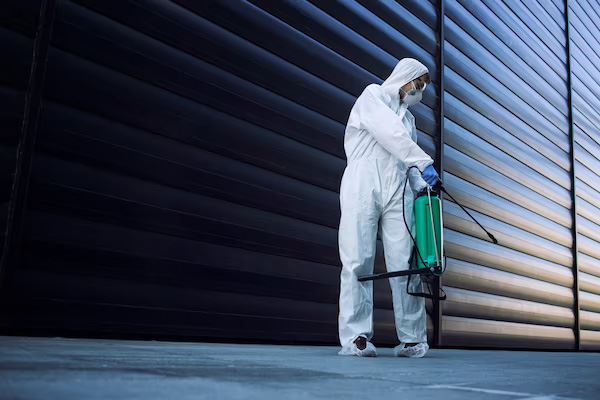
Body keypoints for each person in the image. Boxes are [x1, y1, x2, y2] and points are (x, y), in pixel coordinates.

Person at [337, 58, 441, 358]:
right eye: (418, 84)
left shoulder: (409, 120)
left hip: (398, 188)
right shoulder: (373, 96)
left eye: (423, 87)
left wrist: (422, 183)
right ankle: (356, 337)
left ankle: (412, 339)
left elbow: (406, 161)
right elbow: (388, 133)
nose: (420, 92)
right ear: (404, 77)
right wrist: (423, 161)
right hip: (363, 183)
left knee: (404, 262)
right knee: (357, 257)